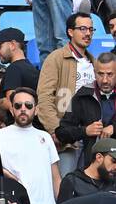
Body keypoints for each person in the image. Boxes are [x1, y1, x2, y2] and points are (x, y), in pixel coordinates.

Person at [38, 12, 97, 174]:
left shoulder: (94, 62)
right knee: (66, 186)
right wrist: (56, 130)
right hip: (67, 139)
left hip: (91, 136)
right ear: (70, 32)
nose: (88, 33)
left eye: (91, 29)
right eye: (83, 29)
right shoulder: (56, 58)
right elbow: (44, 99)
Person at [0, 88, 61, 204]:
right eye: (18, 105)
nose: (23, 109)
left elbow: (56, 177)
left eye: (28, 105)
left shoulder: (45, 137)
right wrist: (0, 170)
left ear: (36, 110)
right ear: (12, 110)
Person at [57, 53, 116, 169]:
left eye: (110, 74)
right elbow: (61, 132)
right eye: (100, 74)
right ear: (94, 73)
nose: (104, 80)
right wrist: (85, 131)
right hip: (92, 168)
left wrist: (114, 128)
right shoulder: (82, 95)